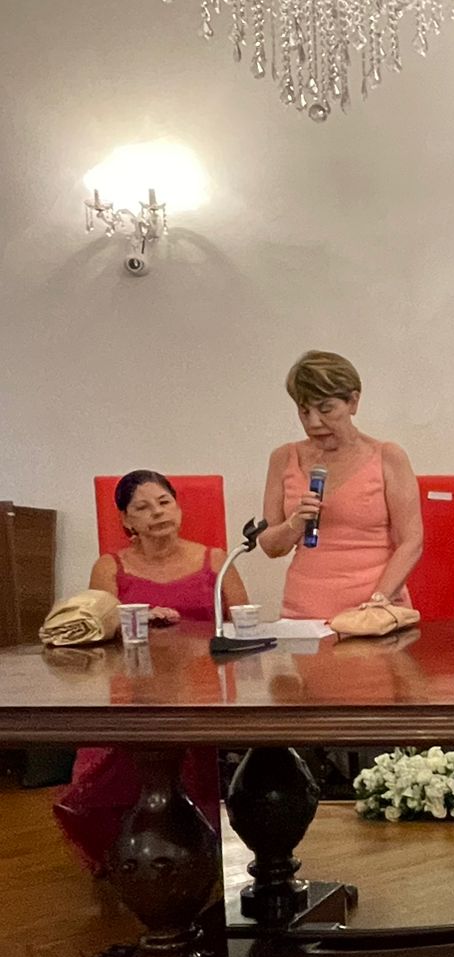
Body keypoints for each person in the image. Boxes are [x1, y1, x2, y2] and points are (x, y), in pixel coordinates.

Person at [54, 470, 246, 874]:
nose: (157, 513)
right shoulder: (109, 567)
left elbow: (244, 627)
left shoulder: (216, 560)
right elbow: (96, 629)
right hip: (133, 689)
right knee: (111, 759)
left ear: (178, 508)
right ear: (126, 520)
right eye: (142, 507)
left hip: (201, 692)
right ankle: (126, 850)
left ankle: (190, 846)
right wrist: (135, 621)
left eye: (164, 502)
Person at [260, 350, 423, 620]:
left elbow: (411, 542)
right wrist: (296, 522)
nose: (314, 422)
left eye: (326, 409)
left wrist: (378, 602)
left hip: (373, 611)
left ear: (353, 402)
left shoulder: (388, 456)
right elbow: (270, 546)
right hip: (303, 613)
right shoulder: (283, 458)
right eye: (304, 411)